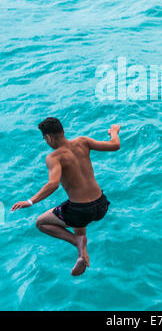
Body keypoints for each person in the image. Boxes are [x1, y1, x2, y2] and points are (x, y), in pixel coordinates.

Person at [11, 117, 121, 276]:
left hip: (81, 210)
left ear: (48, 137)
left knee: (41, 222)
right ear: (62, 131)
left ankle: (78, 242)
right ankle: (82, 256)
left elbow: (53, 184)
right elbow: (115, 145)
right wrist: (114, 132)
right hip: (101, 204)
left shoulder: (54, 157)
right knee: (76, 215)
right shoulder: (83, 141)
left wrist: (30, 201)